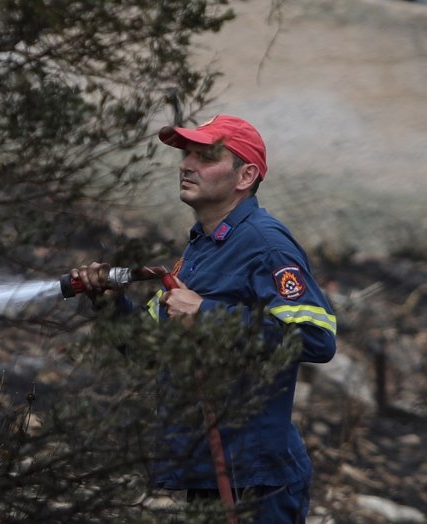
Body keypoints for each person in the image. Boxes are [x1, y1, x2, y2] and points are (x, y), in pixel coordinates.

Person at [70, 115, 336, 522]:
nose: (185, 164)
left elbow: (317, 338)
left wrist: (207, 315)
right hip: (210, 470)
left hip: (255, 480)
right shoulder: (201, 249)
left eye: (204, 156)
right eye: (186, 154)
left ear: (245, 175)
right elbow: (150, 348)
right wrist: (109, 302)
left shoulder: (265, 244)